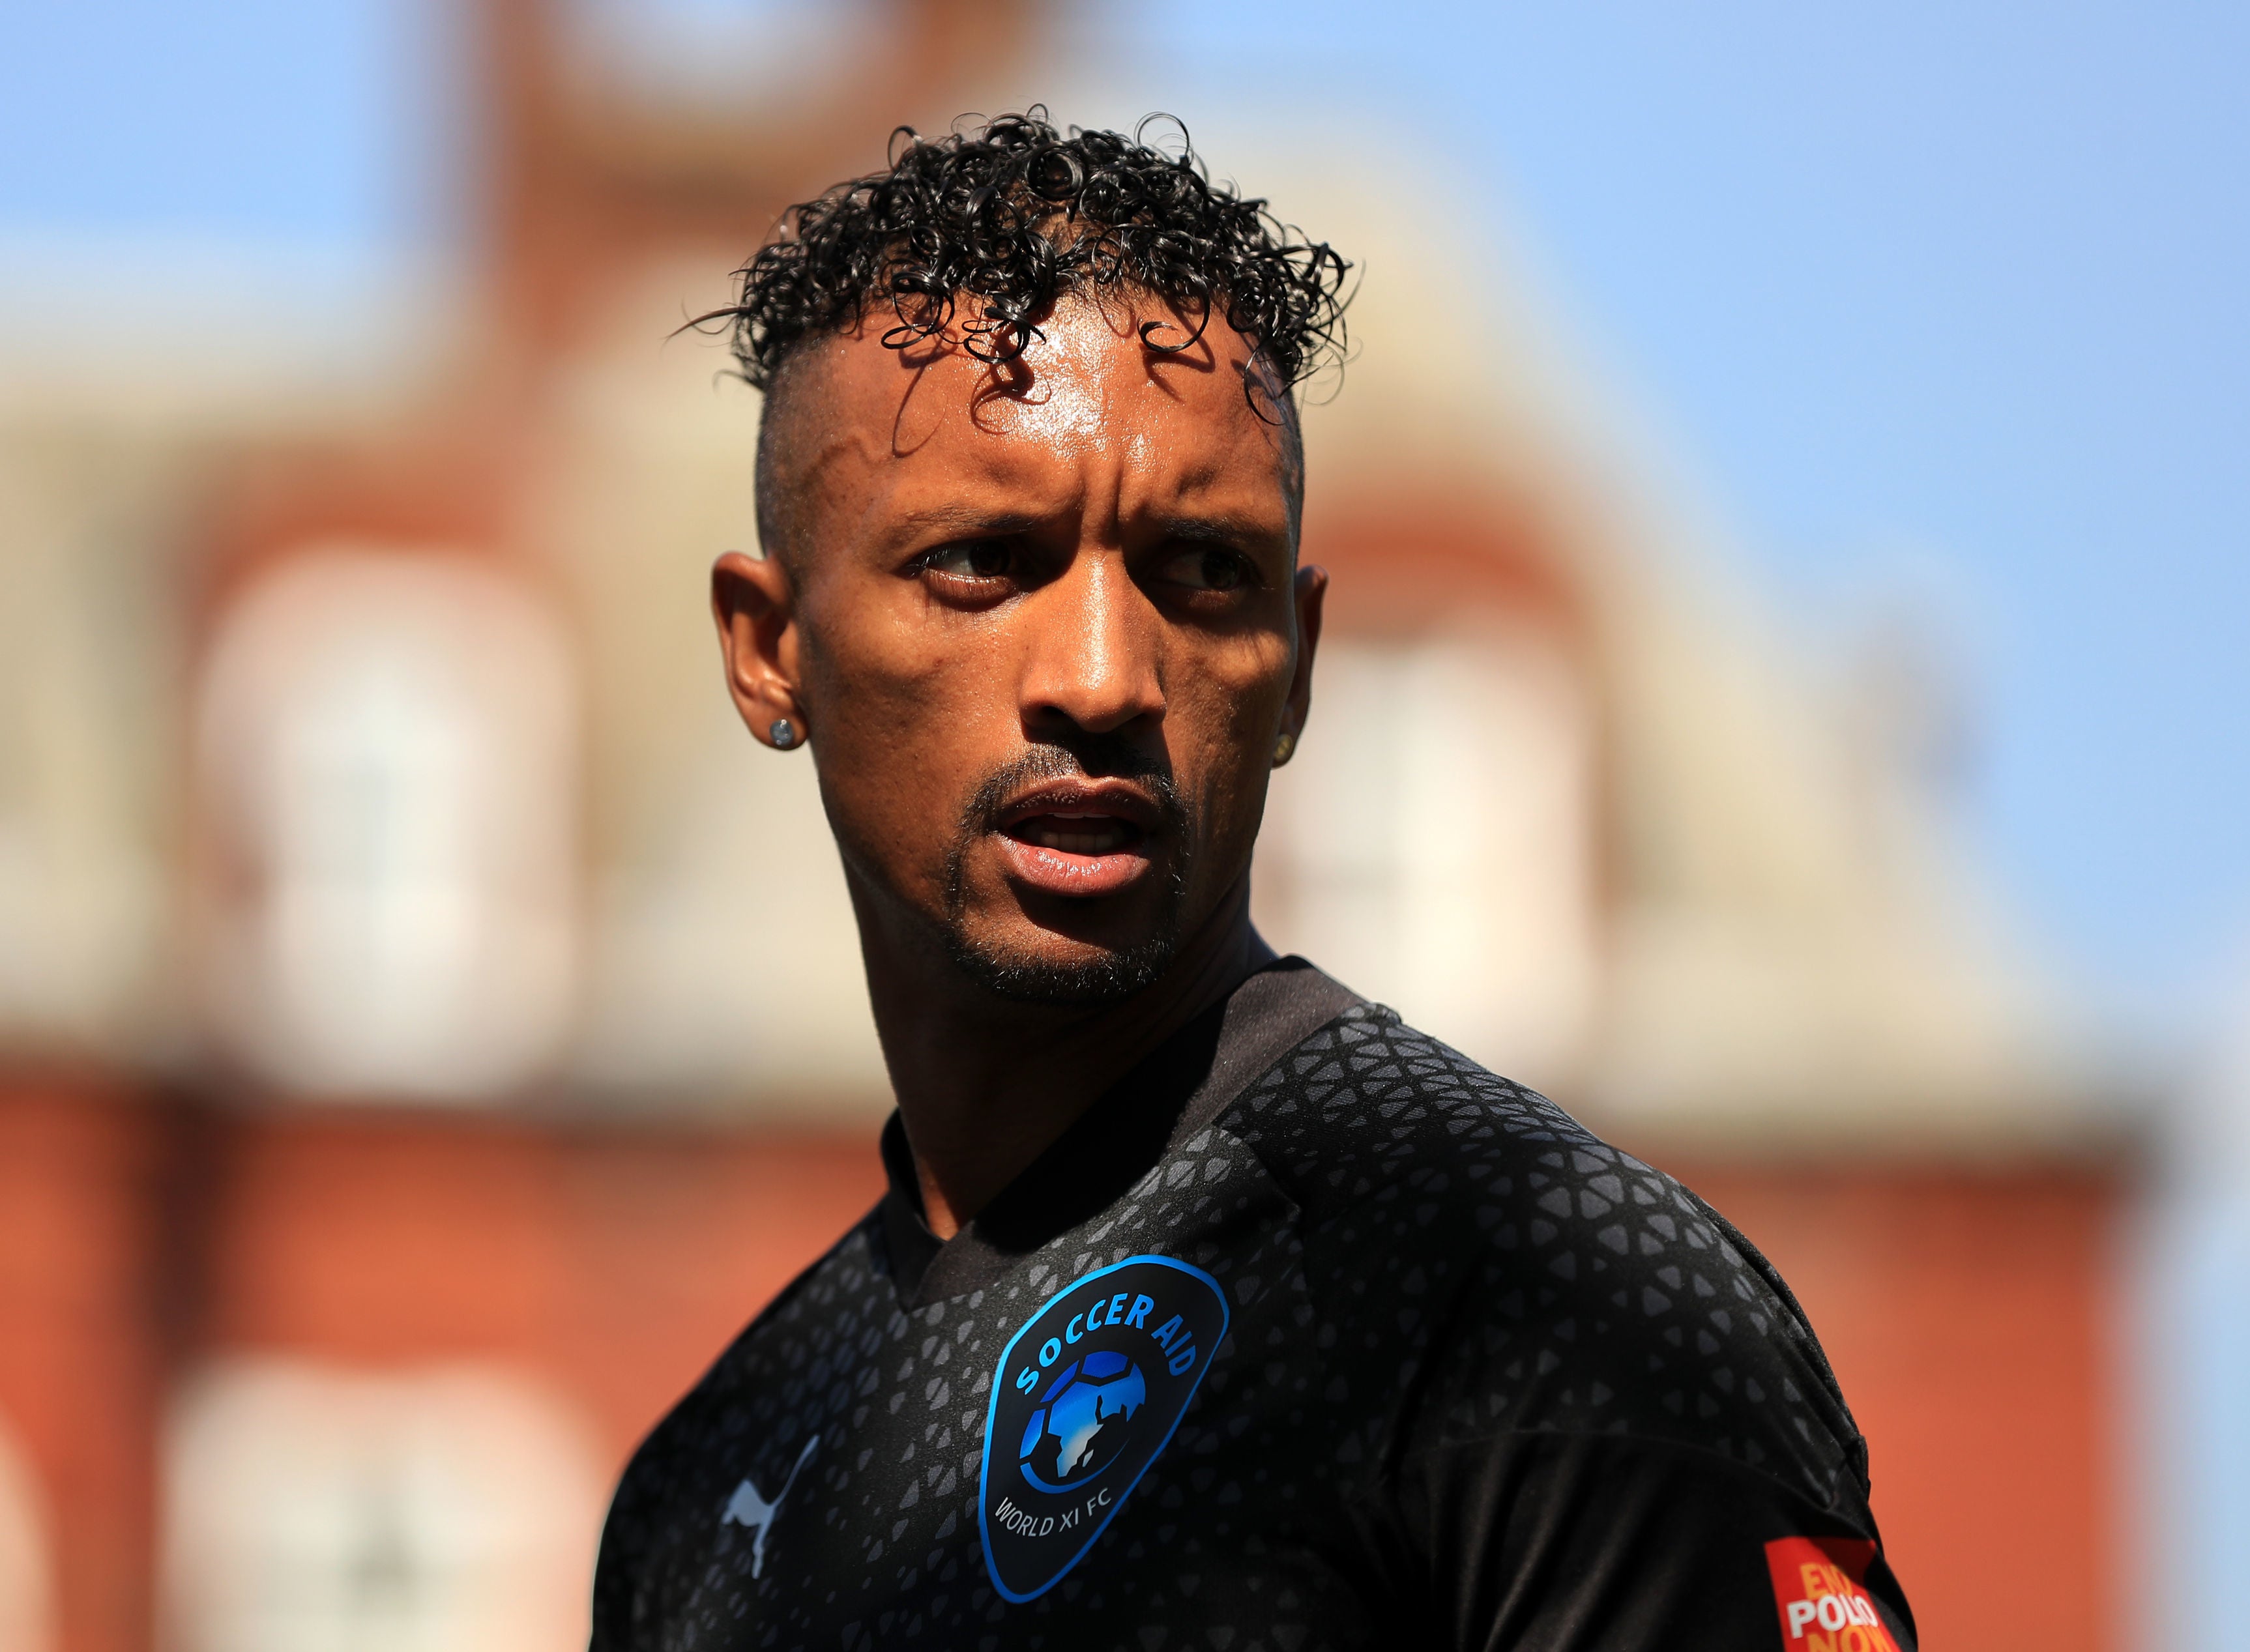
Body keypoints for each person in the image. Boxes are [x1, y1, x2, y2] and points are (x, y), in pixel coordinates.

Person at [589, 111, 1914, 1652]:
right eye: (982, 562)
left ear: (1296, 664)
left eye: (1201, 573)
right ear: (771, 652)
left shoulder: (1537, 1305)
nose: (1102, 677)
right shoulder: (711, 1491)